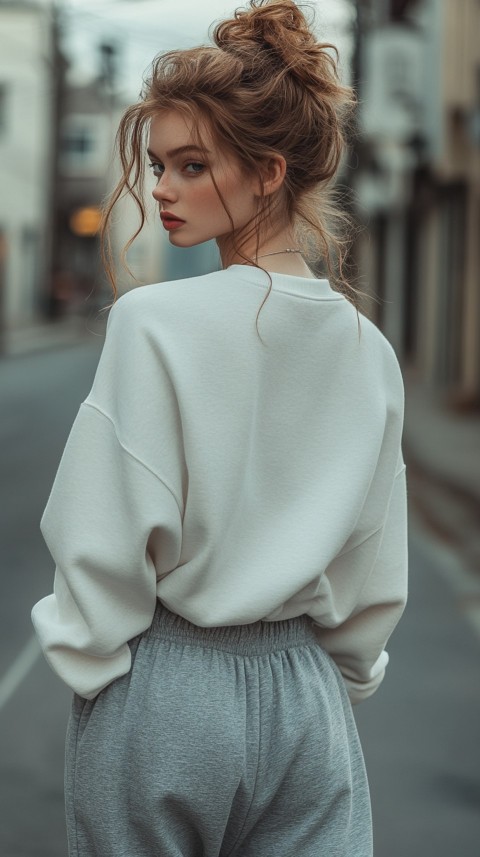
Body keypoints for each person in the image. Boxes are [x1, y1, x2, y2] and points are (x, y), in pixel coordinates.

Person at [31, 1, 408, 855]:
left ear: (269, 171)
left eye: (191, 165)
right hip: (307, 696)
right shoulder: (368, 350)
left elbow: (100, 537)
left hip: (166, 688)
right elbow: (372, 565)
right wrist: (335, 676)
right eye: (160, 164)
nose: (162, 188)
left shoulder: (153, 322)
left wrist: (94, 666)